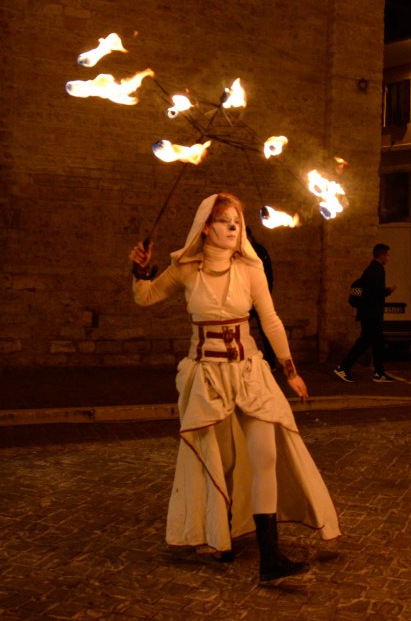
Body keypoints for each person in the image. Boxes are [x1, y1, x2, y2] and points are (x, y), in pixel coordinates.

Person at [129, 192, 340, 582]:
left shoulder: (250, 270)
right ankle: (219, 535)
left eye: (237, 221)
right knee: (219, 461)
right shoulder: (186, 269)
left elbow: (271, 320)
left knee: (266, 456)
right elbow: (146, 297)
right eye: (224, 220)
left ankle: (270, 556)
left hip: (249, 372)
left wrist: (290, 371)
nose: (232, 226)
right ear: (205, 227)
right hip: (208, 377)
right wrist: (140, 272)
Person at [334, 243, 397, 383]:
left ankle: (379, 373)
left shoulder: (371, 269)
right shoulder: (377, 270)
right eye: (387, 255)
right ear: (381, 255)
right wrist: (388, 290)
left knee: (377, 342)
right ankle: (343, 368)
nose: (388, 258)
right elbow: (375, 293)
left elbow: (370, 291)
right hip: (372, 314)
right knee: (365, 342)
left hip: (369, 313)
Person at [246, 226, 277, 371]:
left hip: (257, 298)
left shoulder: (257, 251)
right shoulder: (245, 251)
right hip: (247, 299)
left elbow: (267, 276)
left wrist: (263, 296)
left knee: (267, 329)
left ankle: (271, 362)